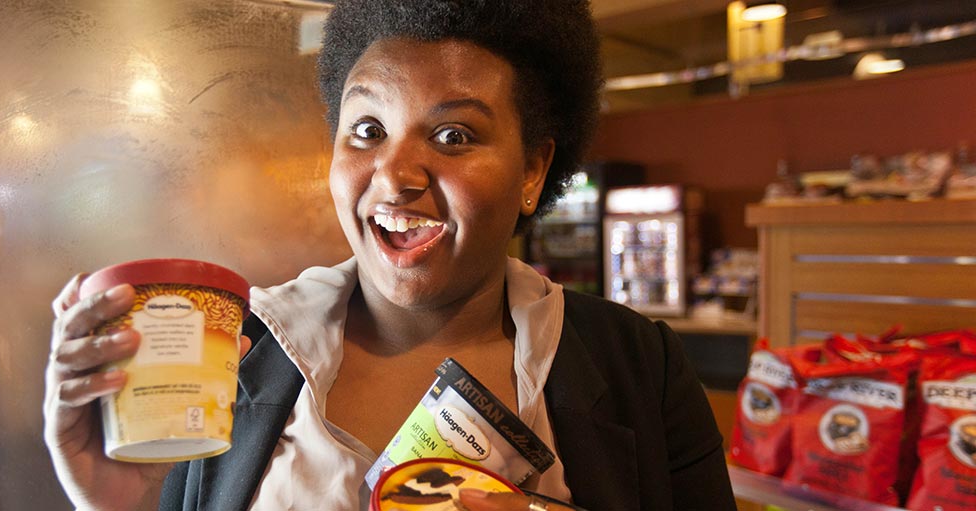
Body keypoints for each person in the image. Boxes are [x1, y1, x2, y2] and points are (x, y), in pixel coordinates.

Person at [43, 1, 737, 510]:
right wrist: (117, 506)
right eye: (368, 128)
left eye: (455, 135)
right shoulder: (232, 352)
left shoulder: (643, 368)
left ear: (532, 170)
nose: (395, 174)